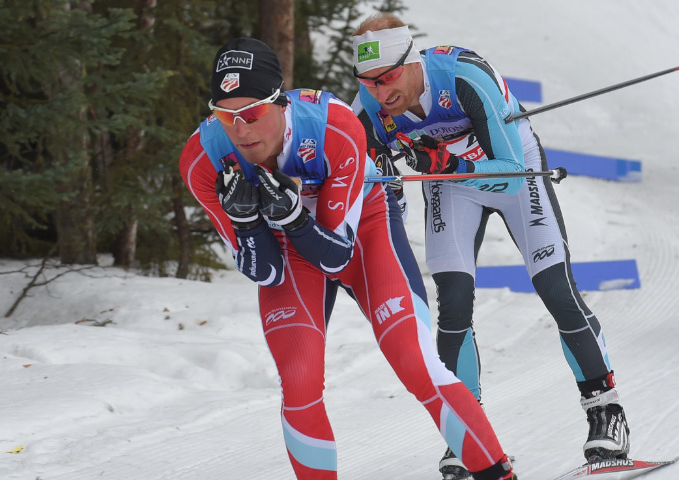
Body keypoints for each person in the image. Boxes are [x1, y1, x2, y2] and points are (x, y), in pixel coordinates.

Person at [179, 37, 517, 480]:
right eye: (226, 116)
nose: (240, 131)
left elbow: (338, 257)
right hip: (287, 247)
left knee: (414, 360)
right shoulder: (202, 159)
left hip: (364, 228)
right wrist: (246, 223)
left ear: (279, 104)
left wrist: (297, 217)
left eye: (253, 114)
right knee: (299, 381)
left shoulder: (333, 124)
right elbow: (265, 271)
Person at [348, 13, 630, 479]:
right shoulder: (369, 107)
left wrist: (442, 161)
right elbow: (364, 182)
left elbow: (508, 172)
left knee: (555, 287)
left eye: (390, 77)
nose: (381, 92)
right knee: (453, 305)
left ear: (411, 59)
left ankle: (606, 411)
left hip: (511, 166)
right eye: (369, 82)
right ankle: (466, 433)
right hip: (451, 183)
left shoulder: (463, 78)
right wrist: (384, 177)